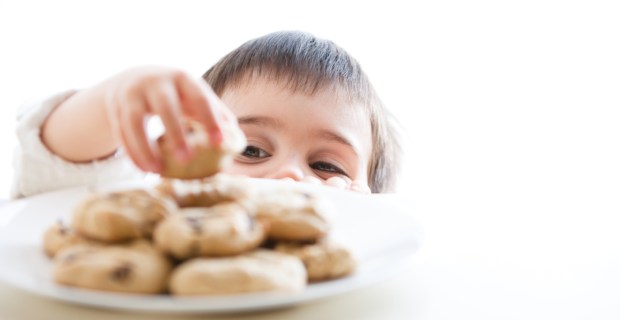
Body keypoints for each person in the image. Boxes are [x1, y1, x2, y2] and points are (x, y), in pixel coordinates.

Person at [11, 31, 402, 199]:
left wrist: (359, 219)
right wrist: (110, 102)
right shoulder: (159, 217)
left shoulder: (364, 251)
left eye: (326, 165)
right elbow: (58, 175)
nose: (291, 175)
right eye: (250, 150)